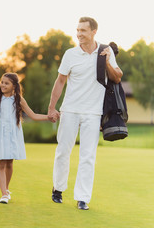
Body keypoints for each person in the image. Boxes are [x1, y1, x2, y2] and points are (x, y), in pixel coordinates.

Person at [47, 17, 123, 210]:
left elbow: (117, 77)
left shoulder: (105, 51)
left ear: (94, 32)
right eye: (77, 30)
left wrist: (106, 61)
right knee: (63, 151)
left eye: (83, 30)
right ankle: (58, 189)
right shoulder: (70, 54)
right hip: (70, 110)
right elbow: (60, 81)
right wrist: (51, 107)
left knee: (88, 156)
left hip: (93, 112)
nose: (79, 34)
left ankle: (82, 198)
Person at [0, 73, 50, 204]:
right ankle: (4, 194)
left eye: (7, 83)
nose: (3, 85)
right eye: (2, 82)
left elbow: (33, 115)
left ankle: (6, 189)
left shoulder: (19, 99)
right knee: (0, 163)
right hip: (1, 133)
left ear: (14, 86)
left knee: (9, 163)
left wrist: (48, 117)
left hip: (13, 133)